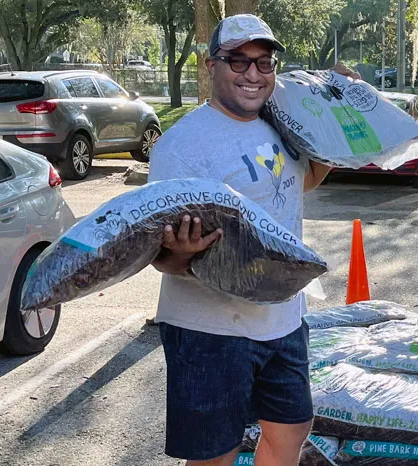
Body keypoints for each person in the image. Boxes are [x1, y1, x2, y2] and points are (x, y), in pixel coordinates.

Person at [147, 14, 356, 466]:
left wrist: (334, 121)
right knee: (214, 455)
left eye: (264, 63)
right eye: (238, 62)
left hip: (282, 317)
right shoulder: (181, 146)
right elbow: (160, 255)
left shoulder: (278, 123)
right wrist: (179, 254)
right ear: (210, 67)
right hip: (209, 329)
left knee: (293, 429)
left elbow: (303, 182)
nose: (253, 75)